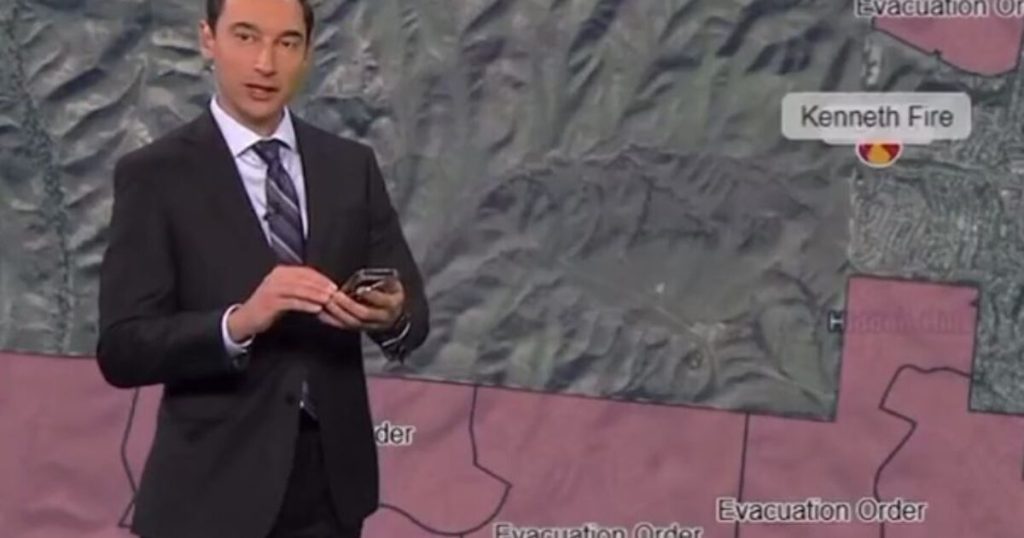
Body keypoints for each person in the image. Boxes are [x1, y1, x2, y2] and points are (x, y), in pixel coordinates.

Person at [95, 0, 429, 536]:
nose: (265, 63)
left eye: (286, 42)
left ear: (307, 52)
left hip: (330, 494)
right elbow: (123, 349)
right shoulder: (155, 177)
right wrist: (239, 322)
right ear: (208, 38)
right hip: (208, 498)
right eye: (246, 37)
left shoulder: (350, 167)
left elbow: (411, 317)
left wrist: (391, 316)